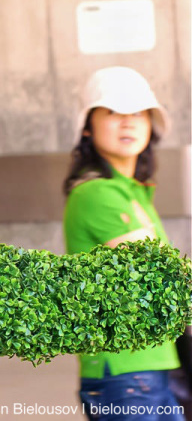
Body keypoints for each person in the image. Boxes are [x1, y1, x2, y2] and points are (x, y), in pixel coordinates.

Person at [63, 66, 183, 421]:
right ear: (88, 126)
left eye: (139, 113)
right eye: (113, 112)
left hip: (149, 366)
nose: (128, 121)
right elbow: (162, 273)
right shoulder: (98, 192)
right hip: (126, 372)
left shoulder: (134, 192)